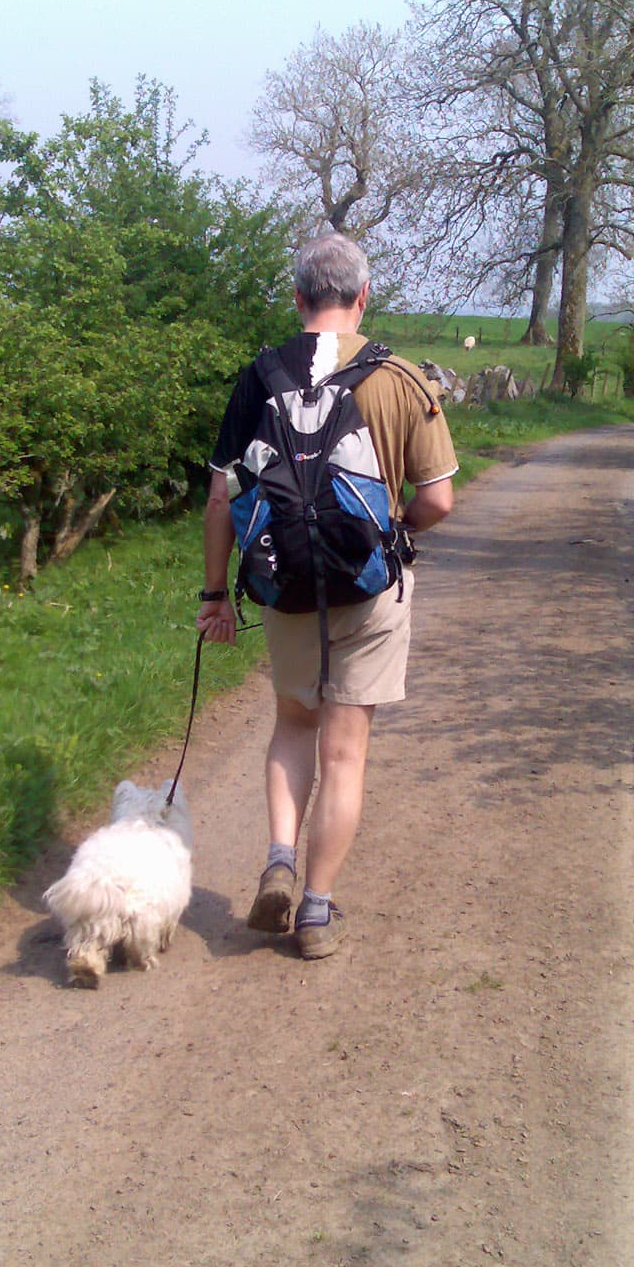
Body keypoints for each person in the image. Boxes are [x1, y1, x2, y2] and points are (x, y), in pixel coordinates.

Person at [196, 232, 457, 958]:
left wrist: (216, 593)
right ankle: (314, 912)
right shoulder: (404, 378)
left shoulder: (260, 376)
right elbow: (438, 501)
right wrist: (390, 529)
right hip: (370, 591)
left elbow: (222, 495)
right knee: (346, 753)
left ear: (299, 297)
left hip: (286, 583)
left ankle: (278, 855)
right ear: (363, 297)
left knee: (291, 726)